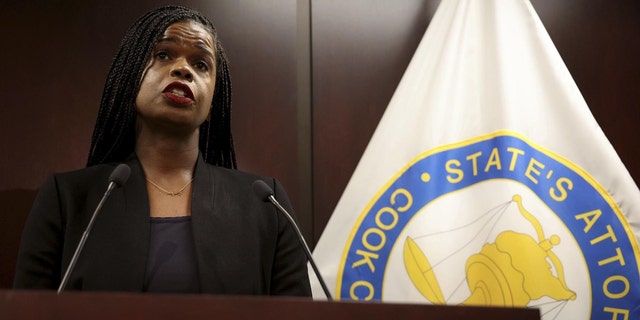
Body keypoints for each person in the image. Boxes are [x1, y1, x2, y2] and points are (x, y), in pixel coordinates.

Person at [13, 5, 311, 296]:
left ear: (212, 104)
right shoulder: (69, 199)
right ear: (130, 77)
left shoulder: (266, 204)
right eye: (164, 54)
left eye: (201, 64)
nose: (183, 69)